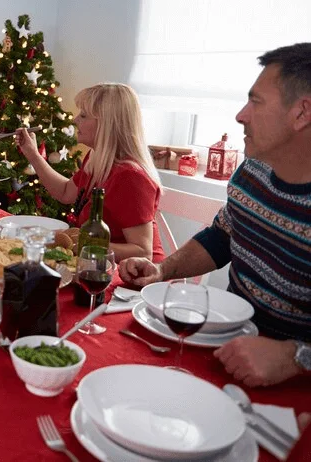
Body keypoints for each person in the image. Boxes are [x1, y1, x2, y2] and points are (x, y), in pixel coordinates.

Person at [119, 43, 311, 387]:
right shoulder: (253, 169)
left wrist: (295, 356)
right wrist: (162, 270)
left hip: (293, 385)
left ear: (302, 113)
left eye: (256, 101)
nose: (241, 115)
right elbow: (223, 236)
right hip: (227, 349)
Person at [16, 83, 163, 262]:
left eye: (83, 115)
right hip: (95, 264)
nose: (75, 120)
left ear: (107, 124)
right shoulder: (96, 159)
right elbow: (65, 192)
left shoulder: (130, 177)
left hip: (134, 280)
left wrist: (80, 242)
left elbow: (142, 253)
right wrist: (32, 154)